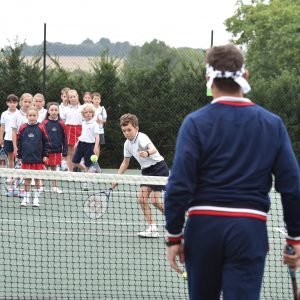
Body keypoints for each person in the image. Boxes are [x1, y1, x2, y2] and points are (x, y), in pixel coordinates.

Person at [164, 44, 300, 300]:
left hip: (203, 229)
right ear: (245, 76)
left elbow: (179, 186)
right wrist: (294, 238)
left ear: (208, 79)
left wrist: (174, 237)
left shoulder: (195, 123)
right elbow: (292, 187)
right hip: (249, 230)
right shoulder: (272, 124)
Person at [112, 113, 169, 238]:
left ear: (136, 128)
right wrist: (117, 178)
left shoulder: (142, 137)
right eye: (124, 131)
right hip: (147, 171)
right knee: (142, 199)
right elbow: (125, 162)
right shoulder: (127, 144)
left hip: (159, 168)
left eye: (129, 130)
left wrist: (147, 153)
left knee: (154, 201)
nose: (127, 133)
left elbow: (153, 148)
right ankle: (153, 228)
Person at [17, 107, 49, 207]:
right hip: (26, 159)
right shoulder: (23, 128)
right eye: (30, 115)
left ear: (37, 116)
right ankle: (26, 198)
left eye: (34, 115)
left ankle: (36, 199)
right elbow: (19, 143)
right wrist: (19, 156)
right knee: (27, 179)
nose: (32, 117)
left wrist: (45, 155)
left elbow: (46, 142)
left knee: (37, 179)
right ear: (27, 116)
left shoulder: (41, 127)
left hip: (38, 159)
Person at [42, 102, 68, 193]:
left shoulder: (61, 124)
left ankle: (54, 186)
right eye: (52, 110)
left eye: (56, 110)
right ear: (48, 111)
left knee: (54, 168)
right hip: (45, 151)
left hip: (57, 151)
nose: (54, 112)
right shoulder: (44, 123)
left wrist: (65, 151)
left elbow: (65, 138)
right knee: (43, 168)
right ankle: (41, 186)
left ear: (58, 111)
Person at [72, 103, 100, 173]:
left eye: (90, 112)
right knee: (75, 162)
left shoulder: (95, 124)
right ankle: (86, 169)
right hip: (81, 144)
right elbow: (83, 134)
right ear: (83, 114)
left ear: (92, 114)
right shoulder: (83, 123)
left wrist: (96, 146)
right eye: (86, 112)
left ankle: (87, 180)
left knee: (88, 164)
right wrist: (77, 142)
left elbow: (97, 136)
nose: (88, 113)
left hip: (90, 145)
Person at [60, 89, 82, 171]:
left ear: (77, 97)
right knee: (69, 152)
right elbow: (62, 121)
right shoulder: (64, 109)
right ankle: (70, 171)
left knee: (78, 151)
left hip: (80, 130)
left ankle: (83, 168)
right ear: (68, 98)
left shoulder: (82, 108)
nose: (73, 98)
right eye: (71, 97)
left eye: (74, 96)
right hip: (69, 130)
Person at [0, 94, 19, 169]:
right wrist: (1, 138)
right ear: (7, 103)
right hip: (8, 138)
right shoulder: (4, 114)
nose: (12, 104)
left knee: (19, 158)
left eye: (14, 102)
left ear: (17, 103)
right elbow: (2, 126)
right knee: (10, 158)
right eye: (10, 102)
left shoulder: (19, 113)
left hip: (18, 138)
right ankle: (11, 177)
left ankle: (20, 177)